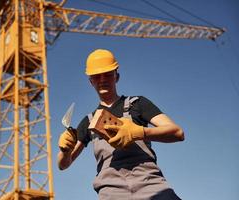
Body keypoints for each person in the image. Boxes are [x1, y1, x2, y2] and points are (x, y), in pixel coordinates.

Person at [57, 49, 185, 200]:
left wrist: (140, 132)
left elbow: (177, 133)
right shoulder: (89, 121)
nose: (102, 79)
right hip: (111, 192)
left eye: (107, 74)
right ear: (91, 81)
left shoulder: (137, 104)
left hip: (151, 186)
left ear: (116, 77)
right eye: (97, 76)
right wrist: (65, 151)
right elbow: (63, 165)